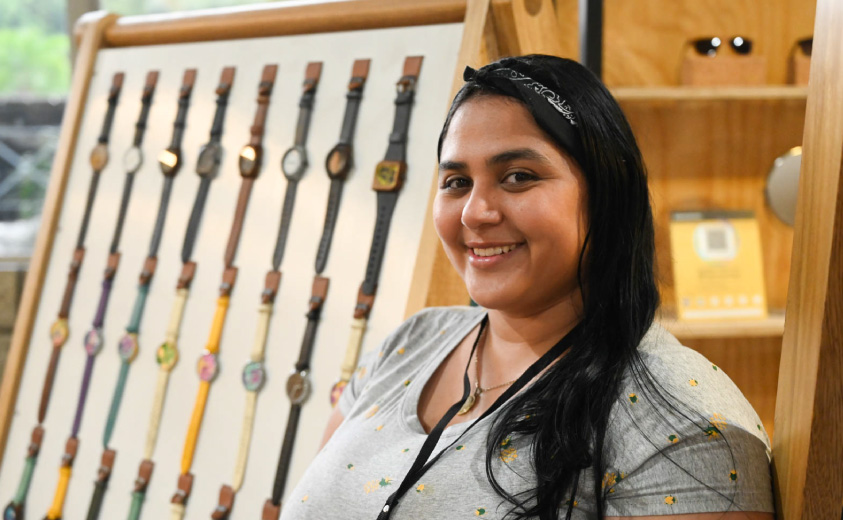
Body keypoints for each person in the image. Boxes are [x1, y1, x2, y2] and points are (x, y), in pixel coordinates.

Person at [280, 55, 775, 520]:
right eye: (456, 181)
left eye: (518, 177)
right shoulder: (411, 342)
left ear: (606, 197)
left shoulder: (684, 427)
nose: (475, 211)